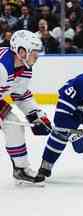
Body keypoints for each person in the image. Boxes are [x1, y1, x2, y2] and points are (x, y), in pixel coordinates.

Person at [0, 30, 51, 184]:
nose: (37, 56)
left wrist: (35, 114)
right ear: (21, 51)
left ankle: (20, 169)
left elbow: (20, 95)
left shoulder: (25, 68)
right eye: (34, 52)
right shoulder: (2, 66)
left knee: (14, 127)